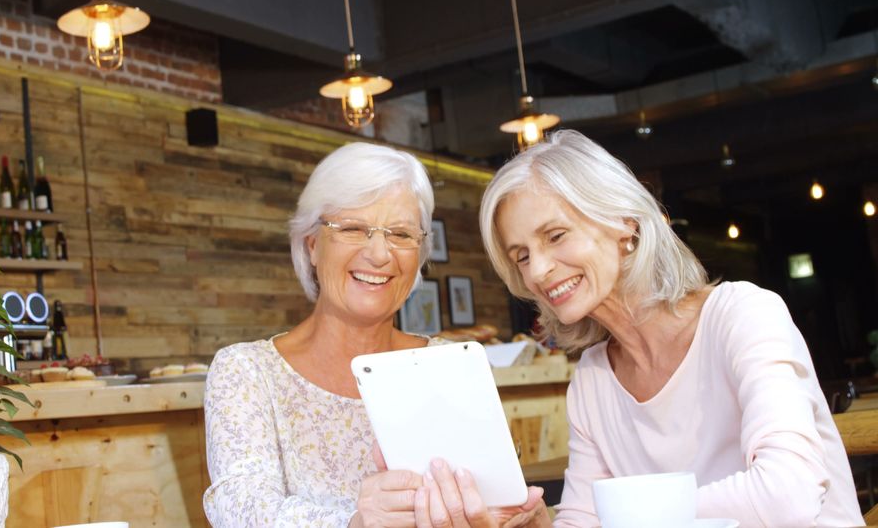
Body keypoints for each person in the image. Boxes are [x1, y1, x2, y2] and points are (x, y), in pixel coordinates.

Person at [414, 130, 863, 528]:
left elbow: (788, 496)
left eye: (555, 236)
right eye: (522, 256)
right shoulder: (592, 379)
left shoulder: (744, 314)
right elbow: (583, 520)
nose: (539, 271)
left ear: (624, 223)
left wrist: (626, 516)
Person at [204, 142, 451, 527]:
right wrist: (356, 523)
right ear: (313, 245)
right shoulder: (248, 372)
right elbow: (242, 510)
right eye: (353, 228)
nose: (380, 254)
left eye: (400, 235)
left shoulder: (446, 365)